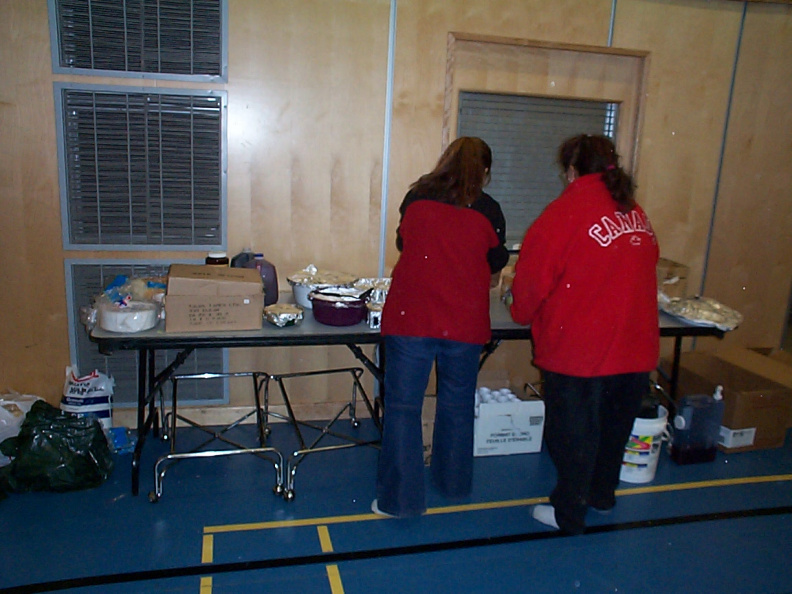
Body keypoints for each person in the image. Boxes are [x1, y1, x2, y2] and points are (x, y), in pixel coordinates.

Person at [509, 134, 659, 535]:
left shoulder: (564, 212)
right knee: (614, 429)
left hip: (580, 349)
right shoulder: (636, 212)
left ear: (572, 171)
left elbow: (531, 283)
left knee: (573, 434)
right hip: (634, 346)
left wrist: (520, 311)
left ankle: (567, 513)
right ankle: (602, 496)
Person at [374, 136, 509, 518]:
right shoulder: (489, 209)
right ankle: (453, 484)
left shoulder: (417, 196)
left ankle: (400, 502)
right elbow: (495, 261)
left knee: (402, 407)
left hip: (411, 318)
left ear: (444, 161)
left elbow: (405, 242)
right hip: (463, 322)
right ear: (484, 171)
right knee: (456, 404)